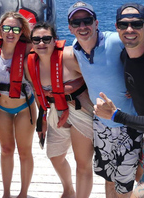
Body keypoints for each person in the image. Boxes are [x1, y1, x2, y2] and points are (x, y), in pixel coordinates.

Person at [67, 1, 144, 198]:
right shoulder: (75, 48)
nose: (82, 27)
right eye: (76, 22)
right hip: (101, 124)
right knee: (108, 179)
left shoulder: (115, 40)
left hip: (128, 125)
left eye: (87, 20)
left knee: (124, 186)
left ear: (96, 23)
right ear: (70, 28)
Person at [26, 22, 94, 198]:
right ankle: (69, 190)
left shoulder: (69, 56)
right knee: (55, 155)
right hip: (55, 111)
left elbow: (95, 76)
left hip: (81, 110)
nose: (41, 43)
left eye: (46, 39)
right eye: (36, 40)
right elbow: (37, 92)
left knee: (82, 163)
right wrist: (41, 118)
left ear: (54, 40)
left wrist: (71, 86)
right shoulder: (30, 64)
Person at [0, 11, 36, 198]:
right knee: (6, 150)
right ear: (0, 29)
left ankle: (23, 193)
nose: (11, 32)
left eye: (16, 29)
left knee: (25, 152)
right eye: (6, 28)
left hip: (25, 107)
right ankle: (6, 193)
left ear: (21, 31)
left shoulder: (29, 48)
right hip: (1, 108)